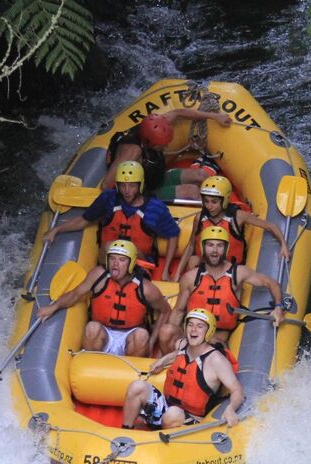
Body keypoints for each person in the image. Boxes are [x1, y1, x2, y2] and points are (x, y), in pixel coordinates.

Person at [43, 161, 181, 278]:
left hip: (139, 262)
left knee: (120, 248)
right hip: (108, 260)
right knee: (111, 247)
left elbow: (173, 234)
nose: (127, 191)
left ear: (141, 185)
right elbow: (84, 220)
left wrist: (165, 270)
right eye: (122, 185)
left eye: (132, 186)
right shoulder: (109, 198)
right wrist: (56, 230)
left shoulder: (155, 208)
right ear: (117, 185)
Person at [159, 225, 285, 351]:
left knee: (210, 344)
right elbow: (178, 311)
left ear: (226, 249)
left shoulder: (238, 273)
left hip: (218, 336)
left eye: (219, 246)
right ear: (203, 248)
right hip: (193, 331)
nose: (214, 250)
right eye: (210, 245)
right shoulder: (190, 278)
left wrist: (278, 307)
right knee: (166, 331)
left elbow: (271, 283)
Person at [37, 240, 171, 357]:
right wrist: (53, 307)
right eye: (112, 258)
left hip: (130, 337)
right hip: (103, 333)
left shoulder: (146, 288)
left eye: (122, 260)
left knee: (142, 335)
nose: (115, 264)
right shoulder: (98, 276)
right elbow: (75, 294)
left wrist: (152, 341)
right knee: (92, 327)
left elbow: (165, 310)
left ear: (131, 263)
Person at [122, 309, 244, 430]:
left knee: (173, 414)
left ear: (209, 331)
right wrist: (163, 360)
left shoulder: (216, 360)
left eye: (200, 326)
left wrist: (231, 408)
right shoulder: (181, 344)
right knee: (137, 386)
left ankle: (159, 442)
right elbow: (179, 353)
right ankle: (126, 433)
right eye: (190, 325)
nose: (193, 329)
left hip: (193, 418)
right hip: (167, 406)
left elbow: (237, 389)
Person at [103, 109, 233, 201]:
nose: (165, 146)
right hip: (144, 192)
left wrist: (215, 116)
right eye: (161, 145)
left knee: (202, 175)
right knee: (192, 191)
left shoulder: (157, 124)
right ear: (150, 143)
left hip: (155, 178)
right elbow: (106, 184)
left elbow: (178, 112)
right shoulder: (132, 151)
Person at [177, 175, 289, 273]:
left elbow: (271, 226)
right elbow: (191, 244)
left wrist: (283, 245)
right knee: (193, 261)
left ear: (225, 200)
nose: (209, 206)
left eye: (214, 202)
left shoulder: (238, 216)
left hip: (230, 268)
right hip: (208, 265)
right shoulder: (199, 218)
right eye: (206, 201)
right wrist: (177, 274)